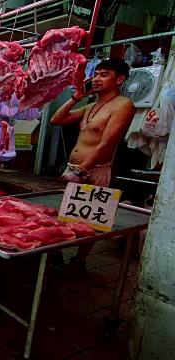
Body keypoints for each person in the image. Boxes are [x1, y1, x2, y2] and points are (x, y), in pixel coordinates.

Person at [50, 58, 136, 270]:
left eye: (104, 74)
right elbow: (56, 120)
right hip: (75, 170)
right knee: (65, 215)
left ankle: (79, 262)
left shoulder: (124, 105)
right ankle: (59, 255)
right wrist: (76, 97)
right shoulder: (91, 106)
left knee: (89, 221)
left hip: (94, 171)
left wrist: (80, 170)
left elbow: (107, 143)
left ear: (120, 79)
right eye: (95, 74)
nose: (96, 79)